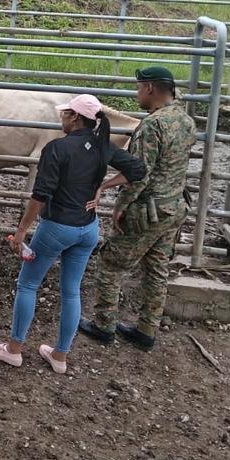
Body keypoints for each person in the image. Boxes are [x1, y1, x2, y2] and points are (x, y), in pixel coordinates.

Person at [0, 94, 147, 374]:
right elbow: (137, 169)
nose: (61, 117)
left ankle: (13, 350)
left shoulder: (57, 148)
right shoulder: (102, 147)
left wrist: (21, 230)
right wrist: (103, 188)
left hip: (57, 228)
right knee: (71, 291)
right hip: (88, 230)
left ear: (75, 117)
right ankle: (59, 356)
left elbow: (40, 194)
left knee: (28, 284)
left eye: (64, 113)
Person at [79, 66, 197, 351]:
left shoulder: (152, 125)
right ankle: (147, 330)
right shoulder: (185, 120)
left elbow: (139, 172)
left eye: (138, 87)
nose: (136, 93)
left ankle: (104, 325)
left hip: (148, 210)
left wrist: (120, 204)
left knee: (111, 262)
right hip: (174, 208)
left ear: (150, 89)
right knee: (157, 269)